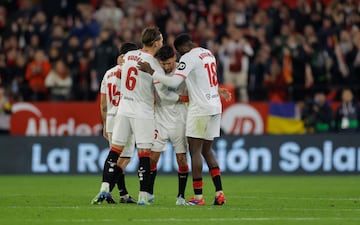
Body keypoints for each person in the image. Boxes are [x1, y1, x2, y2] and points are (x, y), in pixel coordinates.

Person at [137, 33, 226, 206]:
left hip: (200, 109)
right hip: (215, 106)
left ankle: (198, 198)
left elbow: (173, 83)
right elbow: (209, 80)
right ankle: (219, 193)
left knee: (195, 152)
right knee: (208, 151)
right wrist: (219, 90)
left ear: (181, 49)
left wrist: (152, 72)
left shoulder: (188, 58)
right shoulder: (208, 53)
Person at [111, 26, 164, 205]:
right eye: (162, 40)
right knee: (144, 154)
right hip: (143, 112)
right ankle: (143, 195)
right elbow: (162, 89)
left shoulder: (129, 56)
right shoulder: (154, 63)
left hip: (125, 109)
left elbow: (118, 79)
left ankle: (106, 188)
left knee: (116, 153)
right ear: (156, 43)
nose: (162, 43)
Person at [91, 42, 138, 204]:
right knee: (124, 159)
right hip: (126, 117)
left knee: (116, 156)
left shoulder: (107, 74)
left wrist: (104, 123)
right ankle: (106, 190)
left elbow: (103, 103)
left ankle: (123, 194)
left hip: (110, 117)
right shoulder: (132, 73)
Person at [149, 45, 189, 205]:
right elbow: (163, 96)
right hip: (160, 118)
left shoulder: (183, 69)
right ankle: (149, 193)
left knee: (181, 159)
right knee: (153, 159)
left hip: (180, 119)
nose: (166, 67)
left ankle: (181, 196)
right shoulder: (156, 70)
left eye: (169, 63)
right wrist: (183, 98)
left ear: (175, 58)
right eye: (163, 64)